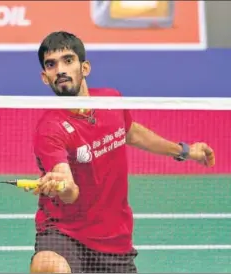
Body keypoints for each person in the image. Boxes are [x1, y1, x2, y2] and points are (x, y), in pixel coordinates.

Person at [27, 31, 215, 273]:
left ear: (85, 68)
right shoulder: (49, 129)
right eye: (51, 65)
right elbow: (69, 191)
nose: (60, 69)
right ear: (45, 77)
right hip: (66, 234)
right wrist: (61, 184)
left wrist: (185, 151)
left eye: (68, 60)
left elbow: (132, 132)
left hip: (115, 239)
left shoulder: (112, 101)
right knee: (48, 266)